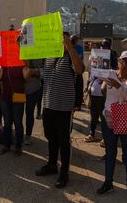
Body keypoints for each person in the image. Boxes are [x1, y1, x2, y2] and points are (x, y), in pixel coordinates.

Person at [35, 32, 84, 189]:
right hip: (48, 104)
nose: (60, 41)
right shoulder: (49, 56)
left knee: (64, 140)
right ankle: (51, 165)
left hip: (64, 107)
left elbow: (80, 69)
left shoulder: (70, 56)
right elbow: (43, 74)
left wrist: (70, 47)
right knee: (50, 137)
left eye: (64, 39)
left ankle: (64, 172)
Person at [96, 50, 127, 201]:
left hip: (126, 118)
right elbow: (95, 71)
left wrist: (118, 85)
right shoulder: (110, 73)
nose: (125, 65)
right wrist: (95, 59)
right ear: (119, 61)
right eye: (123, 60)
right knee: (110, 153)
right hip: (109, 118)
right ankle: (108, 183)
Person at [0, 64, 30, 157]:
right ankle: (6, 145)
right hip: (5, 98)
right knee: (7, 123)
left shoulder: (22, 64)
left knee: (18, 123)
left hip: (18, 99)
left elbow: (26, 77)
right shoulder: (3, 65)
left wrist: (27, 65)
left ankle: (18, 147)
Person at [24, 59, 43, 145]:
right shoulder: (17, 51)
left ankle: (28, 135)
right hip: (18, 89)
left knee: (29, 113)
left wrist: (33, 72)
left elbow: (44, 72)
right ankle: (18, 134)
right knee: (17, 114)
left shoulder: (38, 54)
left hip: (33, 89)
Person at [71, 34, 84, 111]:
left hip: (77, 71)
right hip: (72, 71)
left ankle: (77, 105)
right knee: (76, 88)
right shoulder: (70, 48)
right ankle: (75, 104)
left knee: (78, 88)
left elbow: (80, 58)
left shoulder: (79, 48)